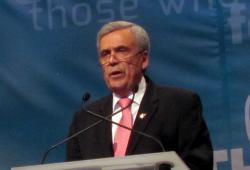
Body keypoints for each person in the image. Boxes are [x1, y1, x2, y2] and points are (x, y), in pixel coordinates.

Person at [66, 20, 213, 170]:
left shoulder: (179, 104)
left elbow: (198, 164)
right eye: (105, 54)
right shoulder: (85, 120)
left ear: (143, 59)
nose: (111, 60)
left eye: (121, 50)